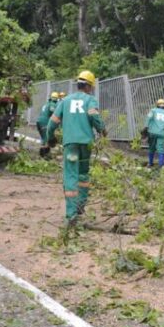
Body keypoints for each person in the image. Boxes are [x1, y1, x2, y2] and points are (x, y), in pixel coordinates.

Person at [46, 70, 106, 225]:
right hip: (86, 144)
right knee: (83, 174)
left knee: (71, 175)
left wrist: (49, 138)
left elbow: (52, 123)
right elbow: (94, 116)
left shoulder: (64, 101)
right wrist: (102, 130)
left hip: (71, 146)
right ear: (89, 86)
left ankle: (71, 214)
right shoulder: (90, 100)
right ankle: (81, 205)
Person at [144, 99, 164, 169]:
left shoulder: (153, 110)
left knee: (151, 148)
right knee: (161, 148)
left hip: (152, 132)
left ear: (157, 105)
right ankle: (161, 165)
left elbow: (148, 118)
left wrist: (145, 128)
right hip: (161, 133)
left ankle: (150, 163)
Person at [36, 91, 60, 157]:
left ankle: (43, 154)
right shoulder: (53, 104)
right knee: (47, 139)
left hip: (39, 121)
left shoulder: (46, 103)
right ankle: (44, 155)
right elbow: (55, 114)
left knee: (44, 138)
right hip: (44, 122)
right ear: (57, 98)